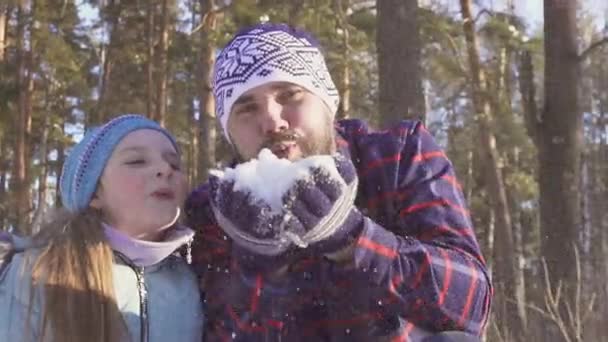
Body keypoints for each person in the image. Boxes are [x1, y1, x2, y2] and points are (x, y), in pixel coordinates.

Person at [185, 23, 491, 341]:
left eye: (290, 95)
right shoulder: (215, 210)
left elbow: (470, 301)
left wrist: (351, 239)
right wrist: (259, 265)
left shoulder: (397, 156)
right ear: (229, 132)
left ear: (327, 102)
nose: (272, 121)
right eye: (247, 109)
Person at [0, 115, 204, 342]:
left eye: (174, 164)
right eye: (137, 161)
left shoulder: (194, 278)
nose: (165, 170)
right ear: (95, 192)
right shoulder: (35, 273)